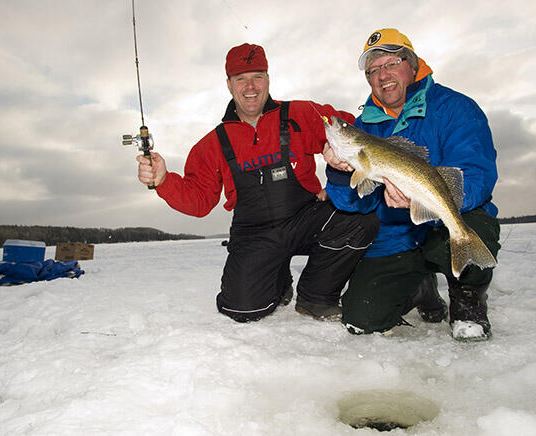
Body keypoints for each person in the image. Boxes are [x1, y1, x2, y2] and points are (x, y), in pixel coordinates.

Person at [137, 43, 379, 323]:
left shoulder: (302, 114)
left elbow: (356, 128)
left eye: (257, 76)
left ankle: (316, 296)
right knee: (243, 309)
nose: (250, 86)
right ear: (229, 85)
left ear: (268, 79)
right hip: (255, 232)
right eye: (241, 78)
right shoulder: (212, 144)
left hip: (305, 218)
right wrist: (164, 181)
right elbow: (200, 202)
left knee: (360, 220)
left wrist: (340, 154)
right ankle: (277, 279)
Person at [324, 29, 501, 341]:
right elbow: (353, 202)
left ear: (412, 63)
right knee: (361, 319)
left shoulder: (456, 108)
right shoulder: (364, 127)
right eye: (373, 70)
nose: (383, 75)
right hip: (398, 236)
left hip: (446, 222)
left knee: (472, 225)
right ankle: (418, 288)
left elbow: (476, 174)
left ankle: (468, 301)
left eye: (391, 63)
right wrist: (339, 170)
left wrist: (426, 199)